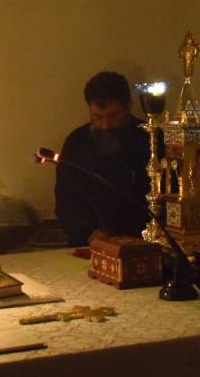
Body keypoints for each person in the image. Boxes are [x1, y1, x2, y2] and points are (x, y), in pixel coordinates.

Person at [54, 71, 151, 247]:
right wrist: (91, 233)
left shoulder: (149, 138)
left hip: (144, 242)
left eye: (113, 116)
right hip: (90, 245)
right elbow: (66, 201)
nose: (105, 125)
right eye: (97, 116)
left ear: (128, 107)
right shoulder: (77, 143)